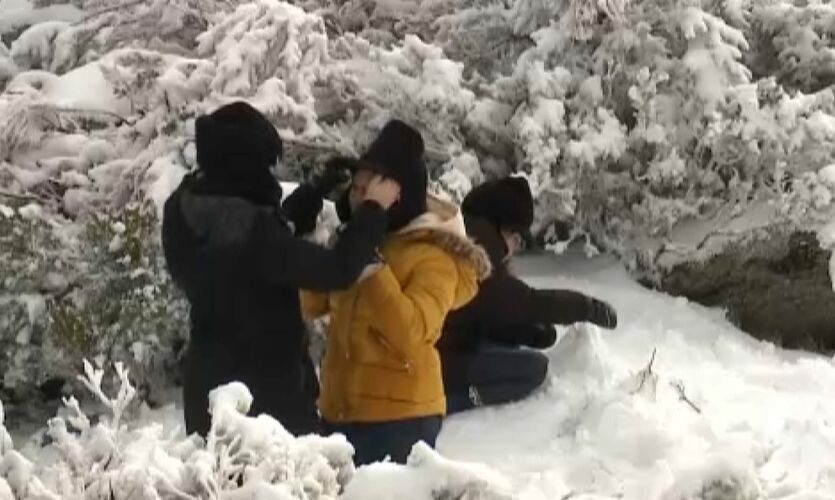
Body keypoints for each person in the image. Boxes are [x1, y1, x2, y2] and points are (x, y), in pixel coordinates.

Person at [161, 101, 401, 438]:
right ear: (245, 164)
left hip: (208, 391)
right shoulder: (253, 231)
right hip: (266, 405)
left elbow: (257, 249)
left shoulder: (183, 209)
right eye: (265, 164)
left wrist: (314, 190)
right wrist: (374, 208)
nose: (268, 174)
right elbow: (337, 269)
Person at [302, 120, 492, 466]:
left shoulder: (433, 256)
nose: (358, 198)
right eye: (356, 189)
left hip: (400, 420)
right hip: (338, 412)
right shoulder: (359, 240)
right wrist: (326, 247)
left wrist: (372, 268)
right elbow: (312, 303)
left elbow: (413, 332)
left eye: (369, 191)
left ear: (398, 196)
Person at [438, 176, 617, 413]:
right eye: (518, 239)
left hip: (447, 346)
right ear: (505, 228)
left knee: (512, 352)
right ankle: (450, 401)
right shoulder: (479, 249)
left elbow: (488, 311)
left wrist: (530, 333)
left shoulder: (465, 233)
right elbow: (527, 302)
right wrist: (587, 307)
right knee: (534, 369)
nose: (515, 248)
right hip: (440, 360)